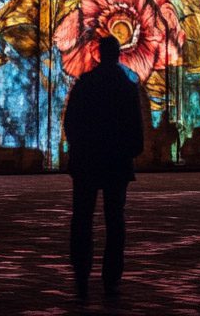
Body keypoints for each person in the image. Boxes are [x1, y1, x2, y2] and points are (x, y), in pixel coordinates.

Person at [63, 35, 143, 301]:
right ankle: (111, 278)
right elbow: (135, 128)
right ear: (118, 55)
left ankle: (81, 274)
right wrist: (131, 151)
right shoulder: (126, 86)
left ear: (98, 55)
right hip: (116, 162)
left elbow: (71, 121)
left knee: (83, 217)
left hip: (87, 160)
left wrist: (78, 148)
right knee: (114, 219)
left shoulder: (85, 84)